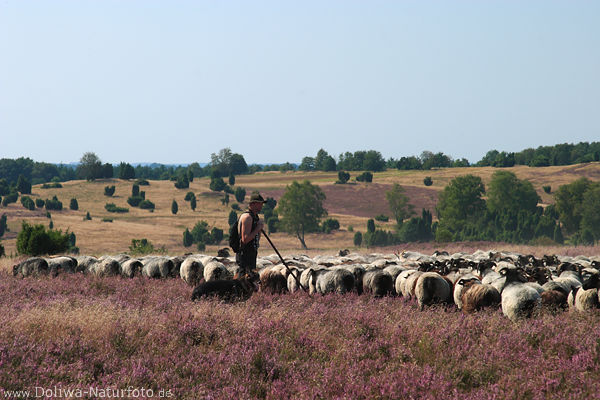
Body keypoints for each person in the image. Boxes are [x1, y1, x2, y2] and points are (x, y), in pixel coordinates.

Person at [236, 191, 266, 274]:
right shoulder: (247, 217)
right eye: (260, 204)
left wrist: (258, 230)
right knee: (244, 279)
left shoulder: (254, 217)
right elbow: (245, 239)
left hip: (251, 253)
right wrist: (258, 228)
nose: (261, 206)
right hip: (245, 255)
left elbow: (255, 238)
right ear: (253, 204)